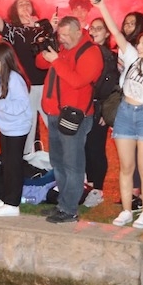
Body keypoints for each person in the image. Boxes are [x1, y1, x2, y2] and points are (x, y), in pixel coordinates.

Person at [94, 0, 143, 229]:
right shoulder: (131, 57)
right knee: (126, 167)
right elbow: (116, 32)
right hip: (125, 113)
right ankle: (127, 210)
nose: (139, 46)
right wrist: (101, 6)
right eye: (139, 44)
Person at [36, 16, 104, 224]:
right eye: (60, 35)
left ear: (78, 32)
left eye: (66, 35)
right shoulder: (63, 48)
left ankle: (70, 209)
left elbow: (77, 81)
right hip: (55, 113)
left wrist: (56, 60)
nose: (62, 38)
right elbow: (39, 63)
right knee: (58, 162)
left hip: (74, 117)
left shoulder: (91, 52)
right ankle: (63, 204)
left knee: (73, 164)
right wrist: (46, 49)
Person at [0, 0, 51, 156]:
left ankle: (59, 159)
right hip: (25, 85)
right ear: (15, 10)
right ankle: (26, 159)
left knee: (52, 123)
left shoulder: (42, 27)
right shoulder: (11, 30)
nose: (25, 6)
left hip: (45, 84)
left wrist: (38, 26)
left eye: (27, 3)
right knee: (28, 124)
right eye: (20, 4)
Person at [0, 42, 33, 217]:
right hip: (5, 126)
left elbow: (21, 104)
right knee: (7, 163)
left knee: (14, 165)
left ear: (2, 60)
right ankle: (6, 199)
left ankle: (13, 203)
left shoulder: (15, 79)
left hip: (18, 127)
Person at [82, 17, 120, 208]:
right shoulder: (86, 53)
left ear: (107, 33)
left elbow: (112, 86)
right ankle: (88, 184)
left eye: (99, 28)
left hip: (99, 108)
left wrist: (106, 110)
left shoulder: (111, 56)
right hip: (84, 107)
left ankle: (97, 188)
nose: (94, 31)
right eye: (92, 28)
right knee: (84, 147)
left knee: (96, 148)